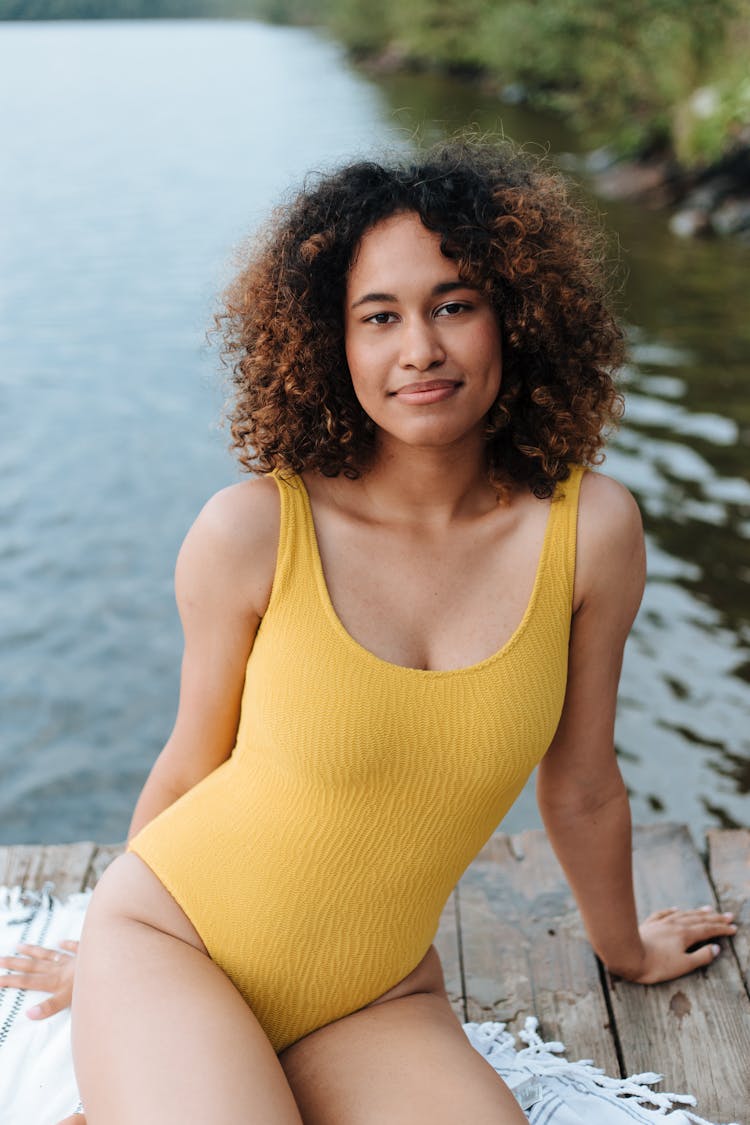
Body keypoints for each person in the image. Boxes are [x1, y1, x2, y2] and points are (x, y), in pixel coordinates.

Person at [0, 137, 736, 1125]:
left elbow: (584, 780)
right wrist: (111, 973)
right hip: (175, 943)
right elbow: (188, 766)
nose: (419, 350)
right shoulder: (254, 531)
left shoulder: (590, 531)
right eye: (378, 316)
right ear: (330, 344)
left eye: (453, 305)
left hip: (374, 995)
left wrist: (627, 949)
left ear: (514, 316)